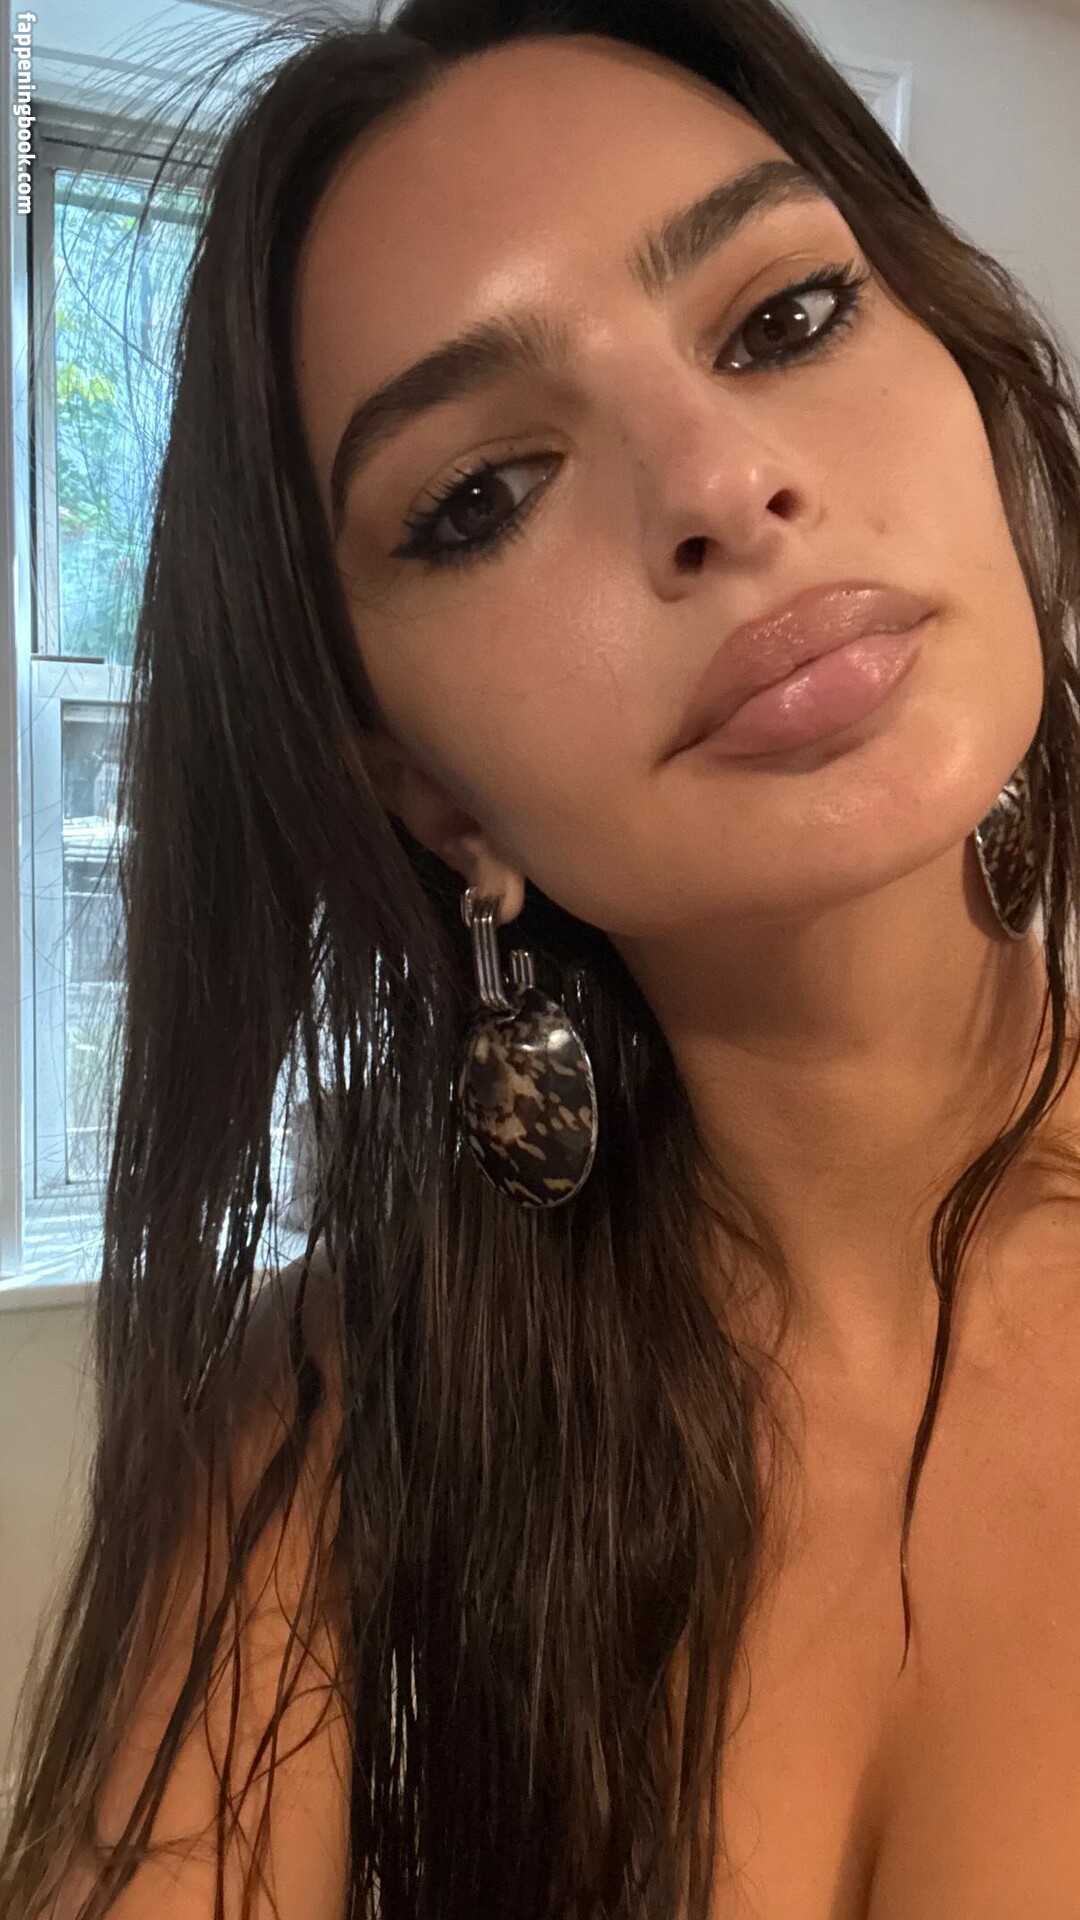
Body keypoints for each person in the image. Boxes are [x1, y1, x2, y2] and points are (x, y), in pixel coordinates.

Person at [4, 0, 1080, 1914]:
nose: (720, 483)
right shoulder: (329, 1426)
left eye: (786, 317)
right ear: (432, 792)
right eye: (482, 495)